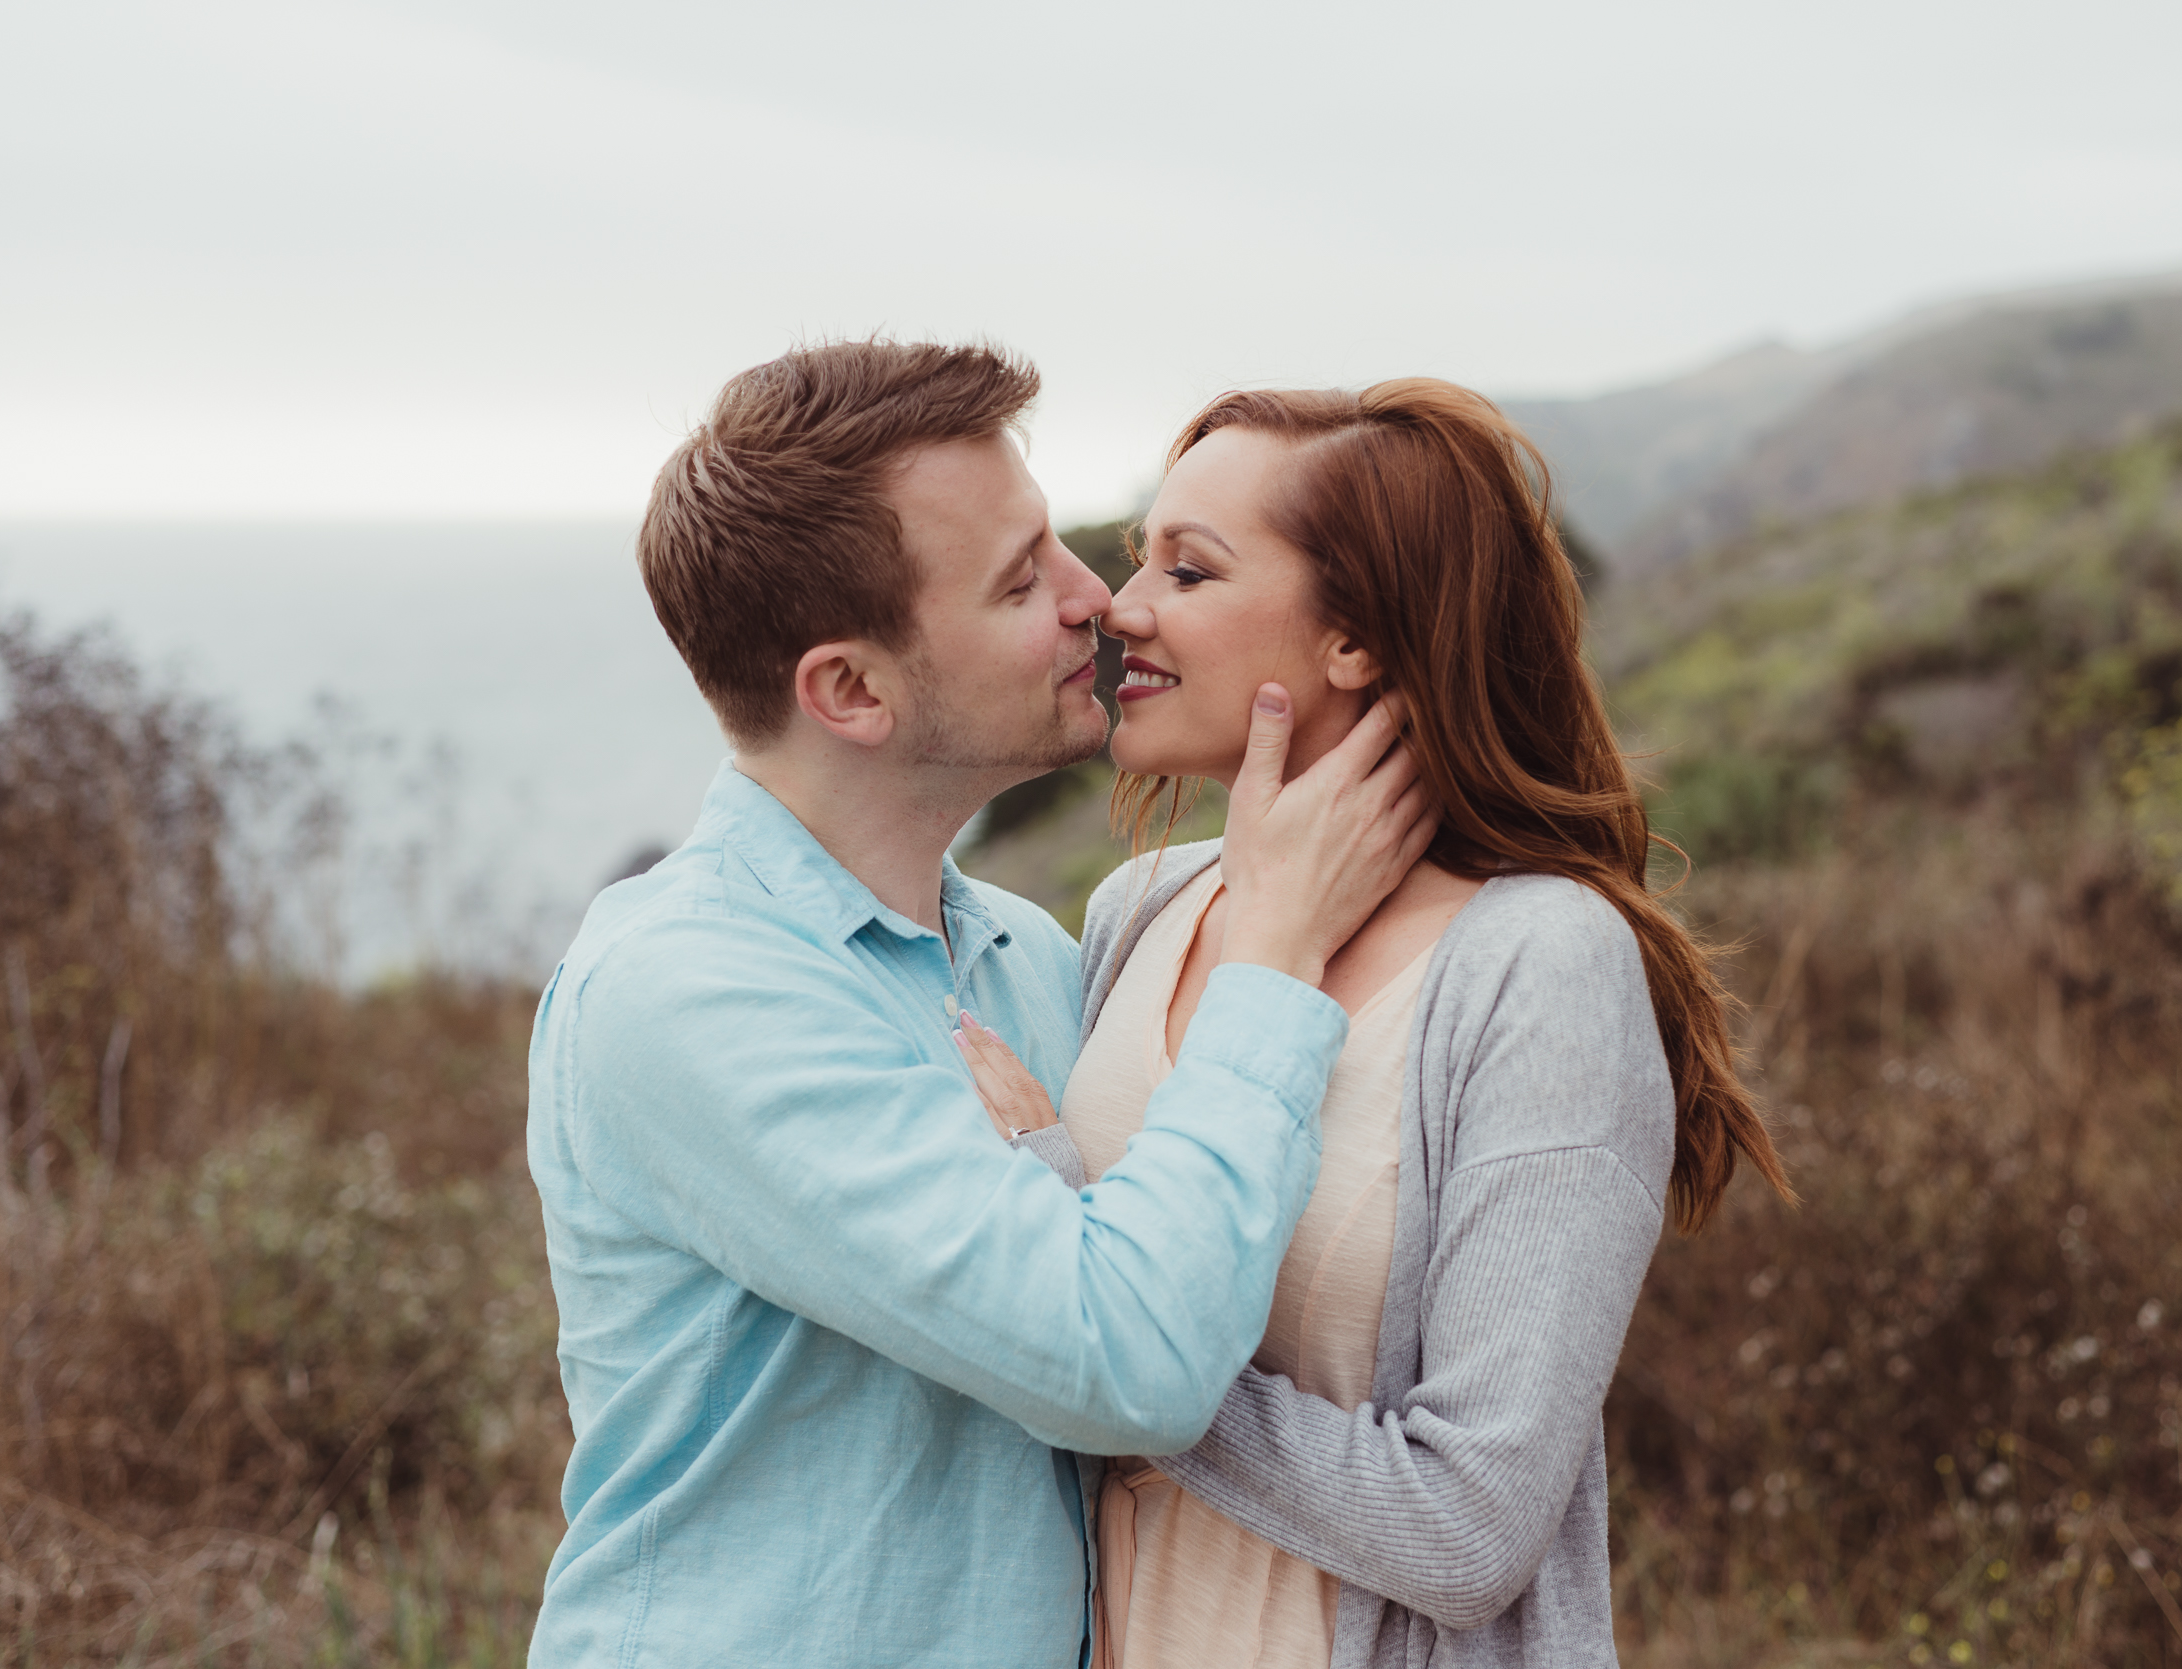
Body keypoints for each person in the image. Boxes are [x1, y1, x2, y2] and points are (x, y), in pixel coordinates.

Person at [524, 341, 1434, 1667]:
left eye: (1059, 546)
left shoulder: (1022, 948)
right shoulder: (684, 993)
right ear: (850, 690)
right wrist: (1275, 952)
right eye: (1022, 581)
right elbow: (1130, 1358)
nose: (1099, 602)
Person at [958, 379, 1796, 1669]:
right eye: (1142, 561)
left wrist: (1103, 1327)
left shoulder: (1539, 966)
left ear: (1353, 640)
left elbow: (1469, 1532)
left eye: (1191, 571)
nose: (1123, 610)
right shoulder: (1138, 913)